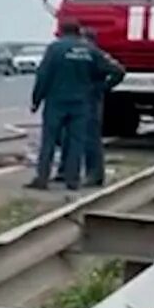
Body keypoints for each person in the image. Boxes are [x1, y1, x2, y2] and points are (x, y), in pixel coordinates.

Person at [28, 20, 103, 191]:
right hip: (81, 103)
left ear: (61, 31)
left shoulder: (55, 49)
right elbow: (116, 71)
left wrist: (36, 100)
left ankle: (42, 178)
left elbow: (43, 75)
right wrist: (98, 88)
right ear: (78, 32)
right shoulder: (89, 50)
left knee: (49, 141)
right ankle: (72, 180)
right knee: (76, 142)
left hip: (56, 102)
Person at [66, 25, 125, 187]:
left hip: (92, 100)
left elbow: (119, 71)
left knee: (91, 138)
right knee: (80, 137)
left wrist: (102, 87)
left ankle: (95, 174)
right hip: (82, 99)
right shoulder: (86, 54)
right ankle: (77, 171)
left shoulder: (96, 55)